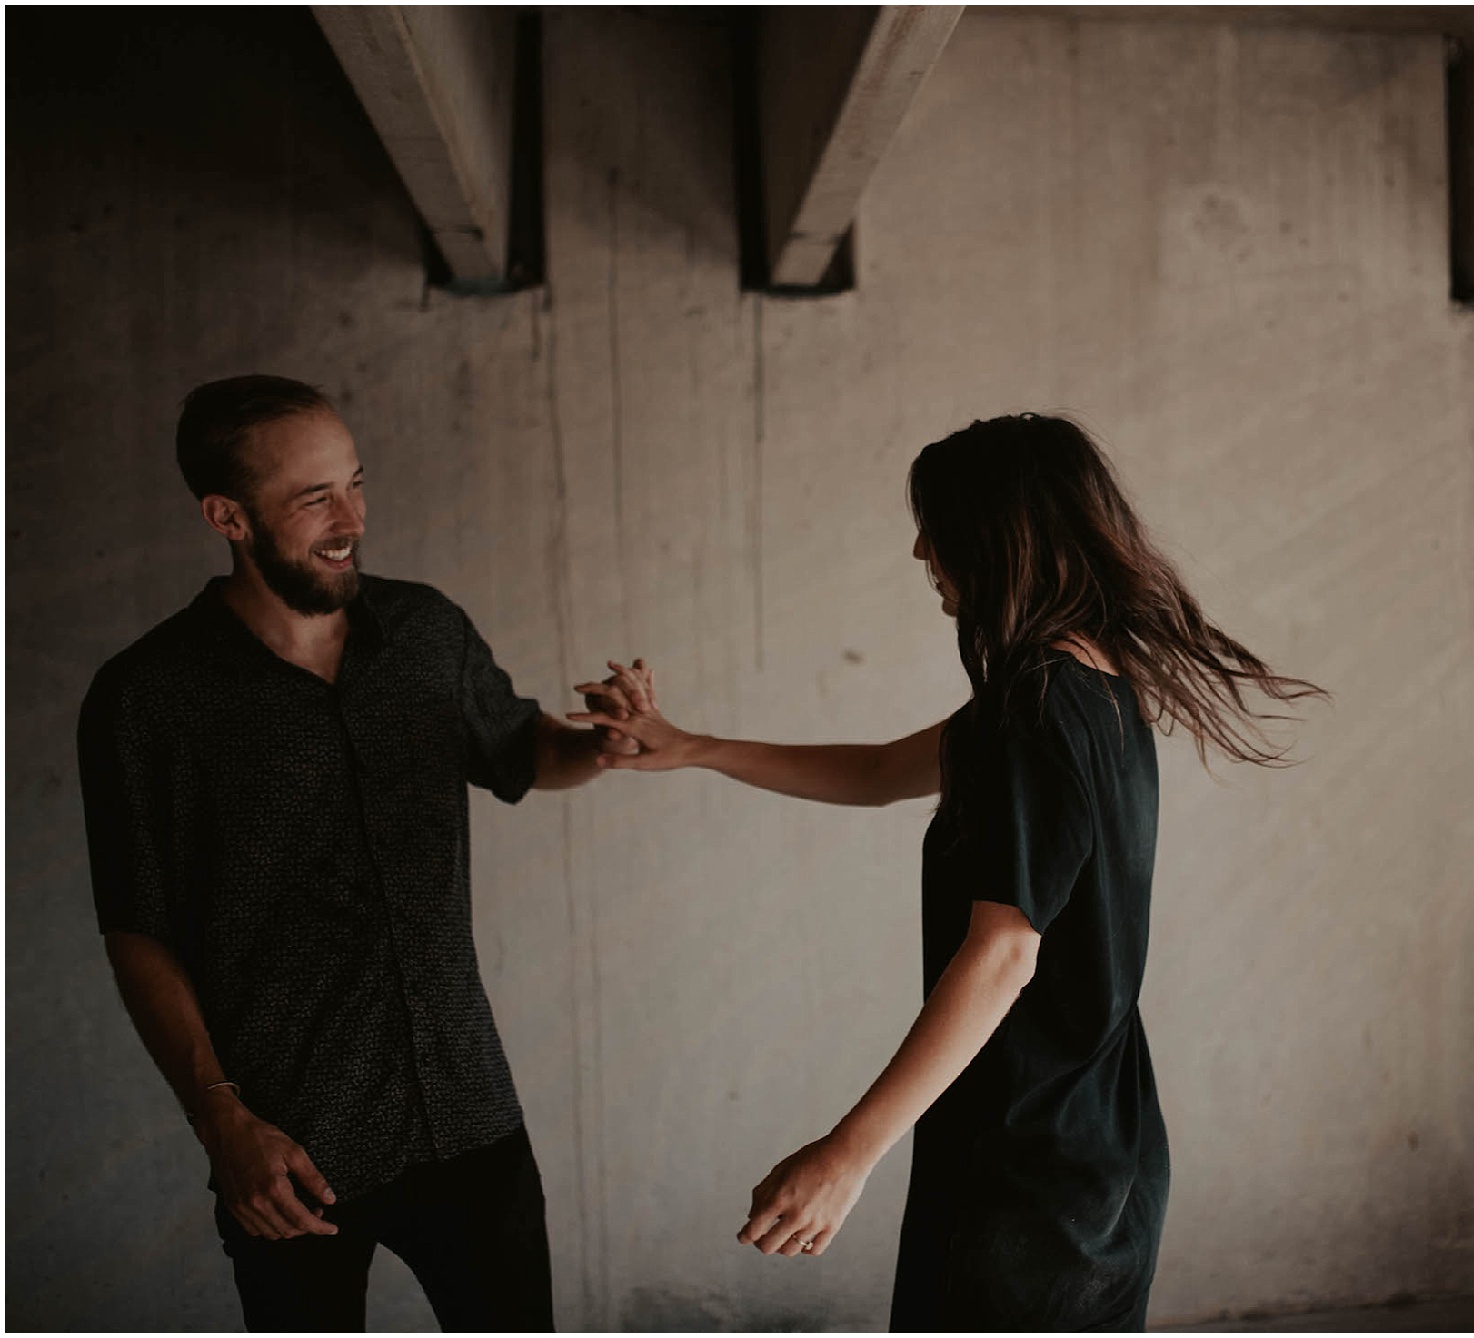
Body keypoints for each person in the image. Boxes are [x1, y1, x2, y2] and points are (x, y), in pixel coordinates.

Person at [570, 413, 1324, 1330]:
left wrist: (848, 1154)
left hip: (1029, 1161)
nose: (921, 547)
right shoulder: (1089, 683)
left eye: (938, 523)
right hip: (1100, 1140)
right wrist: (689, 746)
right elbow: (883, 771)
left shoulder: (1036, 709)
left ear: (1000, 535)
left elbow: (1004, 953)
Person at [77, 375, 625, 1331]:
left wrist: (605, 744)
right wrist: (222, 1120)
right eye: (314, 498)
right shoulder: (145, 699)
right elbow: (138, 931)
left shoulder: (425, 631)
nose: (352, 519)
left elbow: (521, 750)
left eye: (356, 483)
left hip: (468, 1112)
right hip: (288, 1151)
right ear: (227, 516)